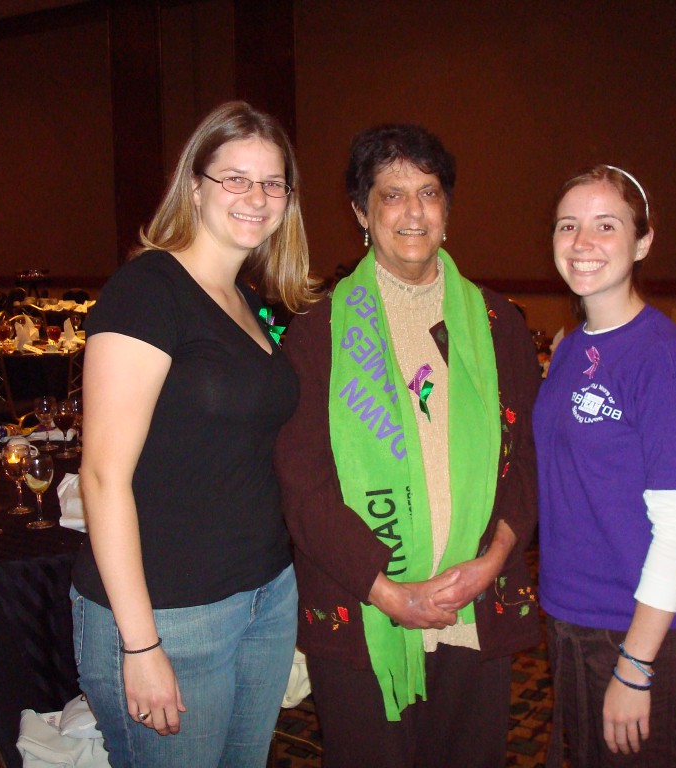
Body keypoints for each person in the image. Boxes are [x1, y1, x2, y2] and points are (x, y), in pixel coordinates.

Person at [275, 124, 542, 766]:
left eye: (429, 192)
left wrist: (491, 560)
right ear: (361, 214)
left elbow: (527, 464)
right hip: (362, 606)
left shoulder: (499, 324)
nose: (414, 212)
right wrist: (389, 591)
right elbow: (302, 484)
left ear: (447, 212)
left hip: (472, 603)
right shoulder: (318, 334)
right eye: (392, 195)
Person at [70, 101, 317, 767]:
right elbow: (102, 477)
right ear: (195, 184)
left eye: (272, 183)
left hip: (264, 593)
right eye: (235, 178)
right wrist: (141, 643)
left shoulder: (246, 301)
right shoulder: (147, 289)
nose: (256, 197)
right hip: (171, 612)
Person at [533, 165, 676, 766]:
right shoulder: (571, 346)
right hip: (570, 617)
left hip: (636, 629)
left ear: (642, 243)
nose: (582, 242)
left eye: (605, 226)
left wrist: (637, 666)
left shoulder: (661, 360)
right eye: (569, 225)